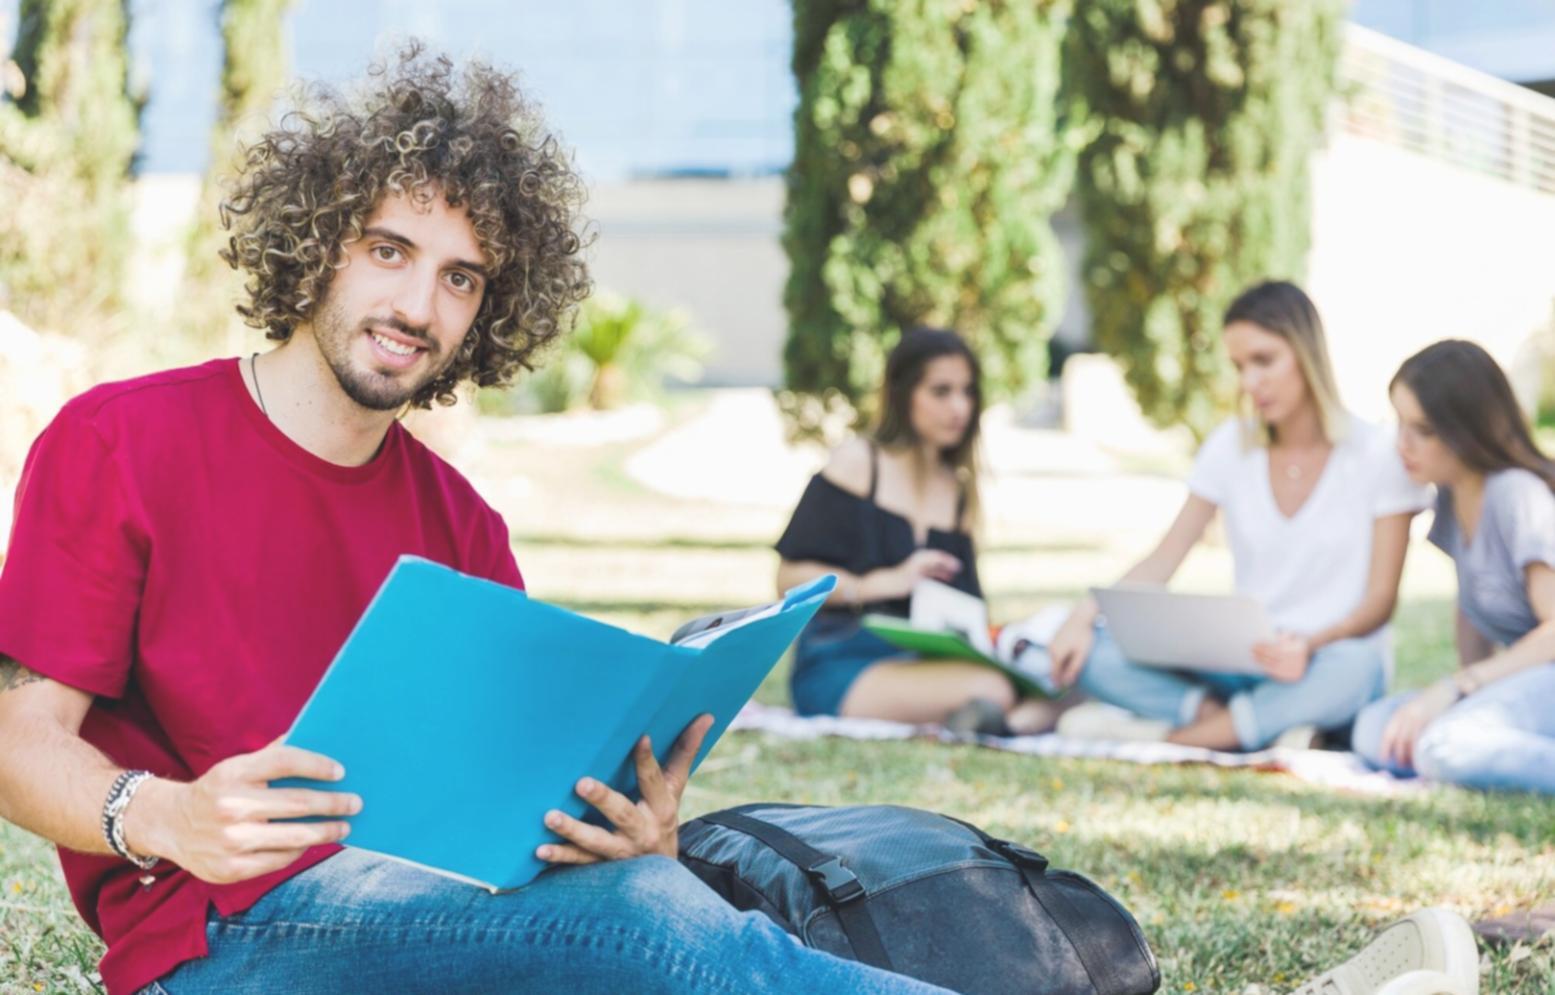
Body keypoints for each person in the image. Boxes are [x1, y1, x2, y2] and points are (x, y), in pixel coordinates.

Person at [0, 47, 947, 995]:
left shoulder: (461, 522)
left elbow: (513, 796)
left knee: (655, 904)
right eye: (388, 250)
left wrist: (628, 836)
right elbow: (18, 741)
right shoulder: (121, 440)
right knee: (650, 925)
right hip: (228, 935)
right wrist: (162, 813)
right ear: (315, 239)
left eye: (462, 278)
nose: (418, 306)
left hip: (445, 921)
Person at [1047, 281, 1431, 751]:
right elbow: (1165, 558)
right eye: (1239, 366)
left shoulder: (1377, 454)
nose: (1250, 383)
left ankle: (1179, 737)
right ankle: (1255, 726)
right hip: (1240, 660)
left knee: (1359, 669)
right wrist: (1083, 615)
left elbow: (1380, 602)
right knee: (1092, 651)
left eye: (1264, 361)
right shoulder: (1230, 446)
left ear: (1306, 352)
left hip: (1326, 658)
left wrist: (1308, 645)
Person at [774, 328, 1061, 735]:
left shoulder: (957, 490)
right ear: (903, 393)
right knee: (992, 688)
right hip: (844, 663)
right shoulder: (858, 463)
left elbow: (965, 609)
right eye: (941, 392)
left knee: (1062, 680)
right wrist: (880, 583)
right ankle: (1000, 723)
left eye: (968, 391)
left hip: (925, 662)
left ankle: (998, 725)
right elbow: (787, 580)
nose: (959, 407)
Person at [1353, 339, 1555, 795]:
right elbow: (1472, 609)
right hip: (1524, 686)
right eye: (1399, 423)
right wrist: (1466, 695)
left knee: (1444, 744)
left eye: (1421, 429)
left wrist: (1459, 689)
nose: (1402, 444)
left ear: (1465, 429)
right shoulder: (1450, 497)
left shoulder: (1516, 494)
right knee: (1377, 728)